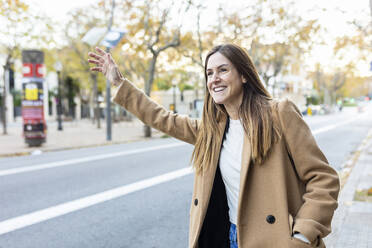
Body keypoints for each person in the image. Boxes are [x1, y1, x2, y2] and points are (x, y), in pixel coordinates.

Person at [88, 44, 340, 248]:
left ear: (243, 75)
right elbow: (162, 118)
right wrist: (119, 83)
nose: (214, 79)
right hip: (228, 236)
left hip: (276, 241)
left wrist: (303, 235)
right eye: (209, 73)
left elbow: (323, 179)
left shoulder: (279, 114)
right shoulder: (212, 129)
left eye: (222, 70)